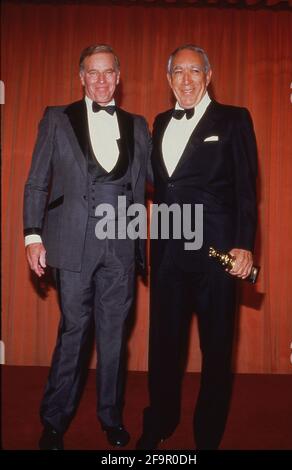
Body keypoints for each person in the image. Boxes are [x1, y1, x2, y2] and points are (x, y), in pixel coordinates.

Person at [24, 44, 150, 450]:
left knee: (114, 335)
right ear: (81, 77)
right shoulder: (56, 119)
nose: (100, 80)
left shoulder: (139, 125)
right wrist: (32, 235)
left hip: (121, 246)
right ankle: (55, 421)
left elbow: (160, 179)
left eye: (108, 72)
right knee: (74, 332)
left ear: (119, 77)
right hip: (72, 243)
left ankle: (110, 417)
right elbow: (37, 182)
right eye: (92, 73)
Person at [137, 44, 258, 450]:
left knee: (217, 349)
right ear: (168, 79)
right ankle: (160, 421)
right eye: (177, 72)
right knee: (164, 346)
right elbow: (161, 183)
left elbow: (246, 190)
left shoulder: (234, 119)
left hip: (216, 255)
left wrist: (244, 244)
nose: (186, 80)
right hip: (169, 252)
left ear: (208, 76)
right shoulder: (159, 120)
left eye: (194, 71)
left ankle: (207, 435)